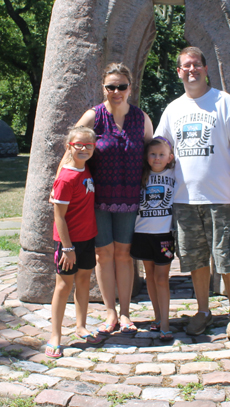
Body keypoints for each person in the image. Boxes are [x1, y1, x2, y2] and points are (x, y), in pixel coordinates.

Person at [155, 47, 230, 340]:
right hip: (185, 200)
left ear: (206, 69)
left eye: (196, 65)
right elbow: (161, 147)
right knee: (195, 259)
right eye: (186, 66)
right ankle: (203, 310)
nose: (191, 70)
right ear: (179, 72)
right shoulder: (173, 109)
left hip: (222, 197)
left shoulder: (224, 103)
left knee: (228, 256)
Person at [74, 63, 153, 334]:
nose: (116, 91)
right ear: (103, 88)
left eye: (121, 86)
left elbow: (150, 155)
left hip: (130, 197)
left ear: (130, 88)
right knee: (103, 255)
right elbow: (73, 148)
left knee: (124, 254)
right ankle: (110, 313)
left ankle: (126, 313)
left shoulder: (141, 118)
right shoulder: (93, 117)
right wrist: (62, 183)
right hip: (97, 200)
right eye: (111, 87)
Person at [46, 126, 100, 358]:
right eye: (79, 144)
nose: (84, 148)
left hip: (88, 238)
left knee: (84, 282)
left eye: (89, 145)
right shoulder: (66, 178)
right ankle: (55, 335)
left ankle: (80, 326)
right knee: (63, 286)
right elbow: (58, 216)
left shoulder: (85, 168)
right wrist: (67, 248)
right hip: (69, 243)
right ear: (69, 146)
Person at [130, 138, 176, 342]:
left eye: (161, 154)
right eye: (152, 154)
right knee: (149, 275)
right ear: (146, 157)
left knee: (161, 278)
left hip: (163, 235)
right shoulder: (141, 176)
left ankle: (165, 323)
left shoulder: (174, 175)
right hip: (141, 233)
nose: (157, 158)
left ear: (170, 158)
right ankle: (157, 316)